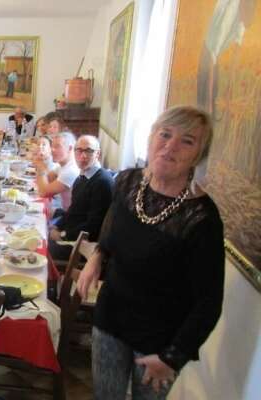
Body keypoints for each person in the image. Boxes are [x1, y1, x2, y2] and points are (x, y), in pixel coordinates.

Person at [77, 106, 224, 400]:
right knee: (105, 396)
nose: (170, 146)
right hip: (111, 317)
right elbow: (111, 226)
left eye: (187, 140)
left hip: (159, 339)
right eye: (165, 134)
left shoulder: (201, 218)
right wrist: (97, 256)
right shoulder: (128, 182)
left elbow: (208, 303)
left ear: (198, 154)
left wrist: (172, 357)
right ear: (152, 137)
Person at [47, 135, 113, 260]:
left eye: (88, 151)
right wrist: (58, 226)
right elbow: (73, 210)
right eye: (79, 150)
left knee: (41, 248)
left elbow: (94, 226)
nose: (83, 156)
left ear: (97, 154)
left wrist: (63, 234)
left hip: (85, 246)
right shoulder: (82, 176)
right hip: (72, 234)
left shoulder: (102, 182)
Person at [33, 131, 79, 210]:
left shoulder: (71, 170)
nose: (52, 150)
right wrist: (41, 165)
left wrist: (40, 167)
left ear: (70, 148)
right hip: (62, 210)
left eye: (57, 146)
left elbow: (43, 192)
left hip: (68, 217)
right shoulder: (63, 165)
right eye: (52, 146)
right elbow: (47, 180)